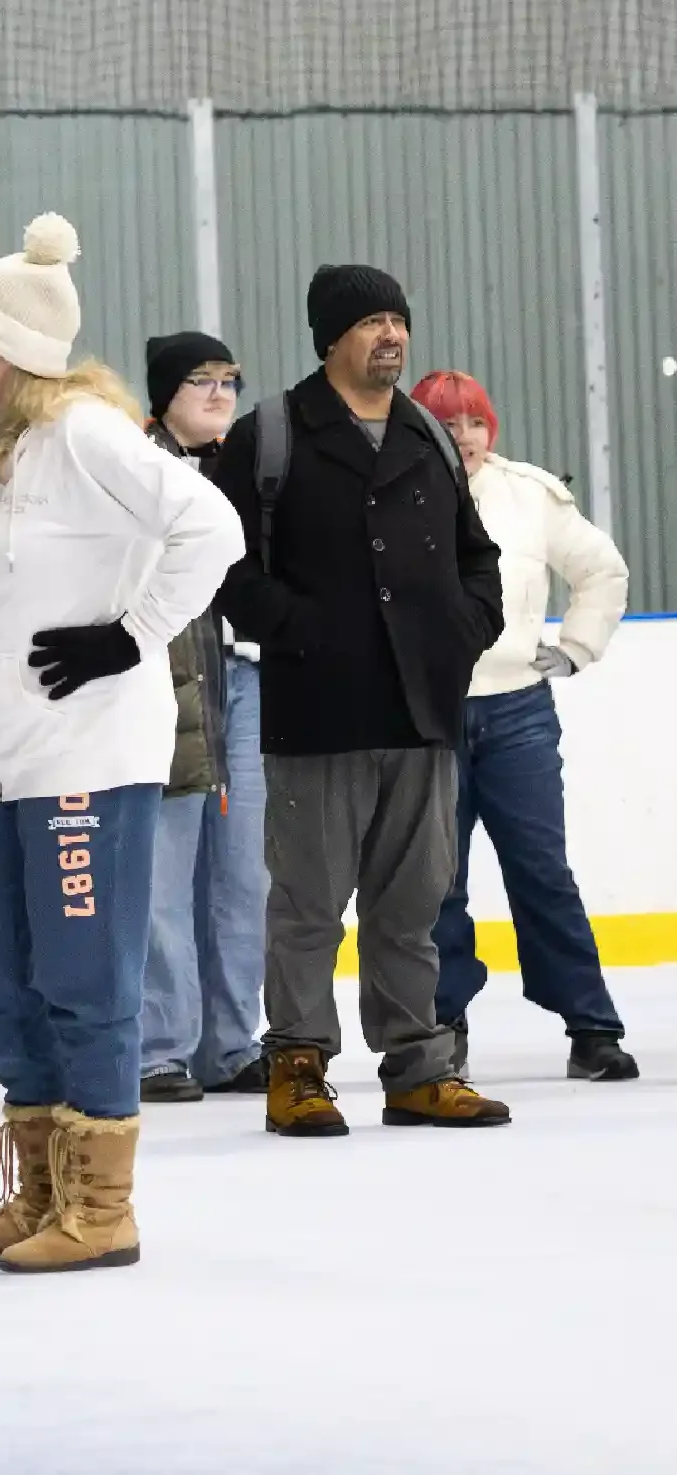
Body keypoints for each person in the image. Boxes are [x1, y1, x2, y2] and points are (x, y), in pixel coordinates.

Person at [0, 218, 240, 1274]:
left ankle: (101, 1208)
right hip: (4, 758)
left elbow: (213, 529)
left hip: (87, 755)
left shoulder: (84, 434)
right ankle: (39, 1189)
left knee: (84, 976)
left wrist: (129, 635)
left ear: (11, 347)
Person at [211, 266, 508, 1136]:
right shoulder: (272, 432)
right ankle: (297, 1065)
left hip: (423, 709)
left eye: (398, 319)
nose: (392, 335)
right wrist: (299, 630)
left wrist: (466, 626)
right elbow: (225, 564)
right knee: (305, 905)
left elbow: (475, 555)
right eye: (373, 321)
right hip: (316, 710)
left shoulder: (427, 433)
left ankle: (419, 1067)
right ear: (331, 337)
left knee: (414, 903)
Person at [408, 371, 637, 1081]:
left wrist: (576, 647)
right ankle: (443, 1025)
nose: (464, 436)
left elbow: (602, 570)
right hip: (426, 715)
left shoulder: (530, 495)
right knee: (435, 881)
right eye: (447, 423)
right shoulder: (388, 492)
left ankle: (591, 1025)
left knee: (542, 870)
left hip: (518, 714)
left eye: (474, 421)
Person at [135, 333, 270, 1103]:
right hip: (168, 686)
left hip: (244, 682)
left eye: (230, 378)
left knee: (242, 870)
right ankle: (161, 1045)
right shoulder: (134, 468)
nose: (221, 393)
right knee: (163, 871)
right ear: (164, 393)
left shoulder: (252, 470)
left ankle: (232, 1039)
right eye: (201, 380)